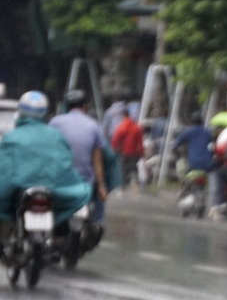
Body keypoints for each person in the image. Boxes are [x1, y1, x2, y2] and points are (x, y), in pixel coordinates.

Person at [0, 91, 90, 235]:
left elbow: (4, 168)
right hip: (53, 188)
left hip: (20, 189)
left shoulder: (11, 137)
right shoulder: (56, 135)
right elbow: (66, 162)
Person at [49, 89, 109, 222]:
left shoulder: (54, 123)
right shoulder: (94, 125)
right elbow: (97, 160)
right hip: (85, 184)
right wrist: (101, 186)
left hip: (58, 182)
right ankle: (97, 224)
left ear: (67, 107)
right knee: (98, 210)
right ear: (85, 107)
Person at [110, 105, 145, 190]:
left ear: (123, 115)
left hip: (124, 151)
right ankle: (135, 184)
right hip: (134, 152)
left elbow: (115, 139)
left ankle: (124, 185)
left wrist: (114, 148)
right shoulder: (136, 126)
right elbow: (140, 141)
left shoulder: (121, 126)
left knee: (124, 169)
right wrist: (142, 152)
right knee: (134, 168)